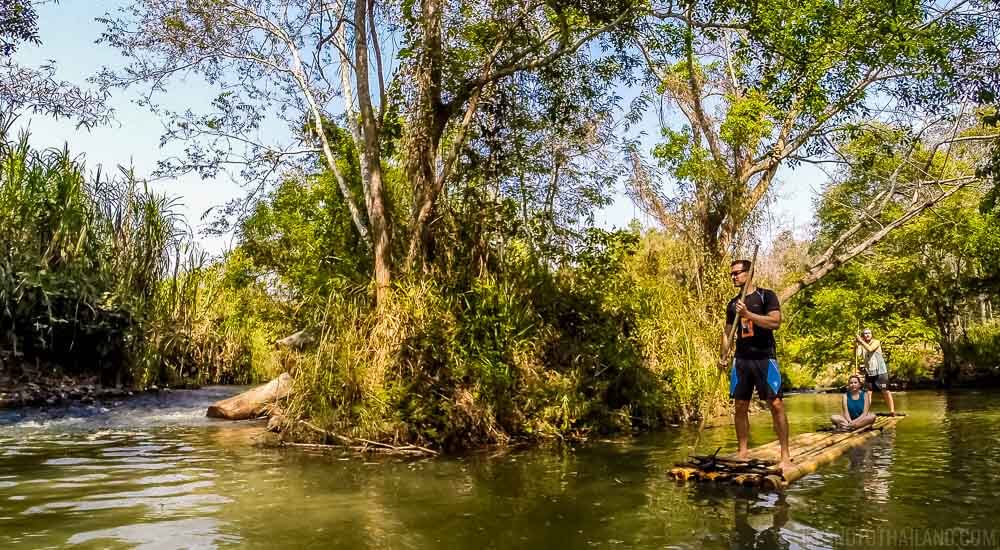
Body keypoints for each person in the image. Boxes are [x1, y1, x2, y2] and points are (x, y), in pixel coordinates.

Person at [718, 259, 792, 473]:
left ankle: (785, 455)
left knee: (776, 404)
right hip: (741, 360)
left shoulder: (766, 296)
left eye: (737, 273)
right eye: (731, 274)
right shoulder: (732, 304)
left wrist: (748, 315)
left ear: (749, 273)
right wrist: (724, 354)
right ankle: (742, 452)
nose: (733, 277)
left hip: (764, 358)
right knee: (740, 406)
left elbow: (775, 322)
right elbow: (727, 332)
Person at [855, 328, 896, 415]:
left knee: (885, 391)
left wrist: (861, 342)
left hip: (881, 373)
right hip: (869, 373)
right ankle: (866, 412)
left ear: (871, 334)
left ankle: (892, 411)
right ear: (863, 335)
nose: (867, 335)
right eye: (865, 333)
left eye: (869, 333)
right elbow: (857, 355)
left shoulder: (876, 342)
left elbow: (870, 349)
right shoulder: (862, 345)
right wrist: (856, 345)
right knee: (867, 393)